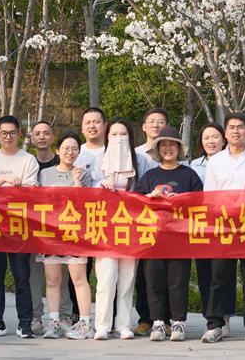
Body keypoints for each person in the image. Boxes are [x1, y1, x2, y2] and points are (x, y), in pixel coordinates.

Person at [201, 111, 245, 344]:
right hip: (223, 225)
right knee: (219, 276)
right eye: (231, 127)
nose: (236, 131)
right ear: (225, 133)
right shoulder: (216, 161)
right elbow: (209, 194)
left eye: (240, 127)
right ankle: (215, 325)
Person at [0, 115, 39, 339]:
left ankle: (25, 323)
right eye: (4, 133)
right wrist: (1, 181)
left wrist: (18, 187)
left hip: (19, 226)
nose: (8, 137)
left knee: (22, 276)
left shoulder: (28, 160)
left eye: (12, 133)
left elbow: (33, 188)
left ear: (19, 134)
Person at [136, 126, 204, 342]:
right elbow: (135, 203)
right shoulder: (150, 175)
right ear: (157, 149)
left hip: (180, 239)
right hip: (153, 240)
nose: (167, 148)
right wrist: (150, 196)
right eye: (163, 145)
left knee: (178, 282)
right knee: (153, 281)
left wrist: (182, 200)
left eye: (172, 144)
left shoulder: (189, 175)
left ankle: (179, 322)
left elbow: (201, 202)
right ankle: (157, 322)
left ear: (179, 148)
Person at [37, 133, 95, 340]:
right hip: (51, 233)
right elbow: (40, 202)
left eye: (74, 149)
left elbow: (83, 204)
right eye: (66, 148)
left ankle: (85, 323)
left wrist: (77, 181)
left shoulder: (84, 174)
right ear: (57, 150)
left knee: (78, 279)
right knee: (52, 280)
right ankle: (54, 322)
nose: (70, 152)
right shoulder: (44, 174)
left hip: (74, 233)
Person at [94, 118, 143, 340]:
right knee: (107, 276)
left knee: (127, 277)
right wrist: (100, 185)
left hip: (131, 227)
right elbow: (86, 191)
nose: (118, 138)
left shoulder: (140, 161)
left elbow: (146, 188)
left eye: (123, 134)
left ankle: (123, 324)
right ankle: (102, 325)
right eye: (113, 134)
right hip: (105, 227)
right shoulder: (99, 160)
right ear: (107, 137)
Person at [189, 124, 236, 335]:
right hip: (202, 225)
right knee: (205, 273)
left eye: (215, 137)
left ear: (223, 139)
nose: (211, 141)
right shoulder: (193, 165)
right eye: (206, 137)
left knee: (226, 273)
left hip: (226, 225)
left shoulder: (231, 162)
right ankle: (211, 318)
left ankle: (225, 316)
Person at [28, 120, 72, 335]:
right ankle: (35, 316)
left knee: (61, 275)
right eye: (37, 133)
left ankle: (64, 316)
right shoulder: (28, 163)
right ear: (31, 138)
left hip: (62, 230)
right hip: (35, 229)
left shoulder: (63, 160)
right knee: (34, 274)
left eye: (46, 133)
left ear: (53, 138)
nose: (42, 137)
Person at [132, 108, 165, 336]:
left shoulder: (173, 153)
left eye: (161, 122)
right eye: (151, 121)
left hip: (168, 225)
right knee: (143, 274)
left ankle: (167, 318)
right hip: (142, 221)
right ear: (144, 127)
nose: (156, 125)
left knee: (167, 273)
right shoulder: (134, 154)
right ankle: (145, 318)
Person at [75, 106, 108, 174]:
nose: (92, 126)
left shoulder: (112, 150)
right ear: (82, 128)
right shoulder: (75, 153)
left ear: (105, 126)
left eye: (96, 122)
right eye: (88, 122)